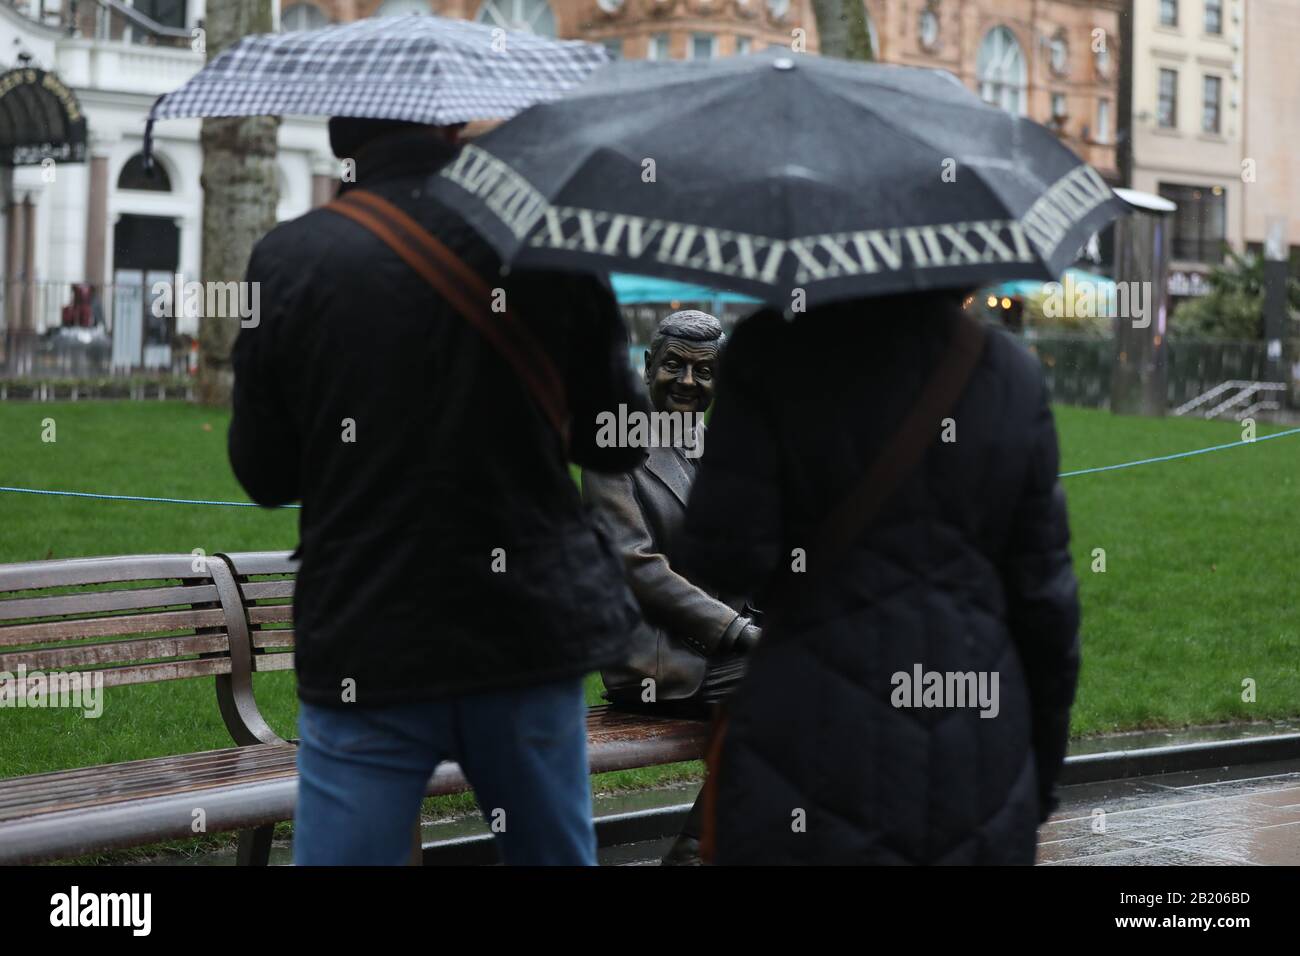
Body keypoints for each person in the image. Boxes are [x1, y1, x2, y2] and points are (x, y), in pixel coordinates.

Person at [228, 117, 648, 866]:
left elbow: (264, 473)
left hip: (368, 632)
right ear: (455, 128)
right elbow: (618, 439)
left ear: (341, 140)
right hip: (525, 630)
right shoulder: (547, 240)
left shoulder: (289, 256)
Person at [676, 291, 1081, 865]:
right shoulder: (1006, 372)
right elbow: (1048, 608)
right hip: (972, 747)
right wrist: (1037, 772)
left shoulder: (770, 349)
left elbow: (722, 557)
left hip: (804, 732)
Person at [582, 310, 761, 866]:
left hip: (731, 651)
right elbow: (637, 567)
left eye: (703, 373)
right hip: (661, 660)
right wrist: (739, 631)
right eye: (674, 367)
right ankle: (693, 854)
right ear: (648, 365)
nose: (687, 383)